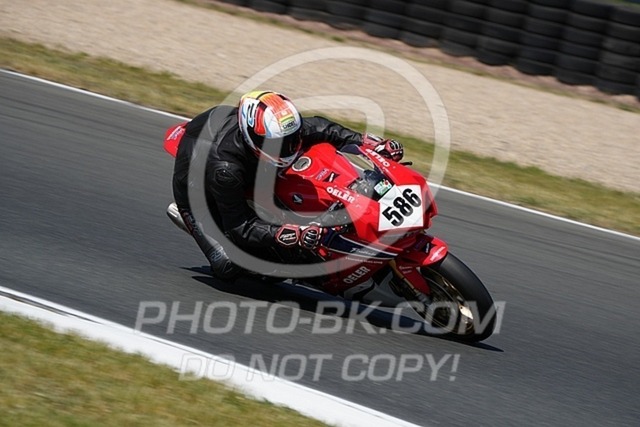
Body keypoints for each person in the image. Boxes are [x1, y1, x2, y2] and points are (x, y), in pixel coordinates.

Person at [171, 90, 404, 280]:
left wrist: (366, 142)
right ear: (253, 137)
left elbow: (320, 127)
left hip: (251, 165)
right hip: (198, 196)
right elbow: (239, 227)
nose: (290, 146)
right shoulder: (226, 170)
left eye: (292, 138)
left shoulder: (280, 129)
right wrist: (285, 234)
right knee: (230, 266)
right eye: (279, 142)